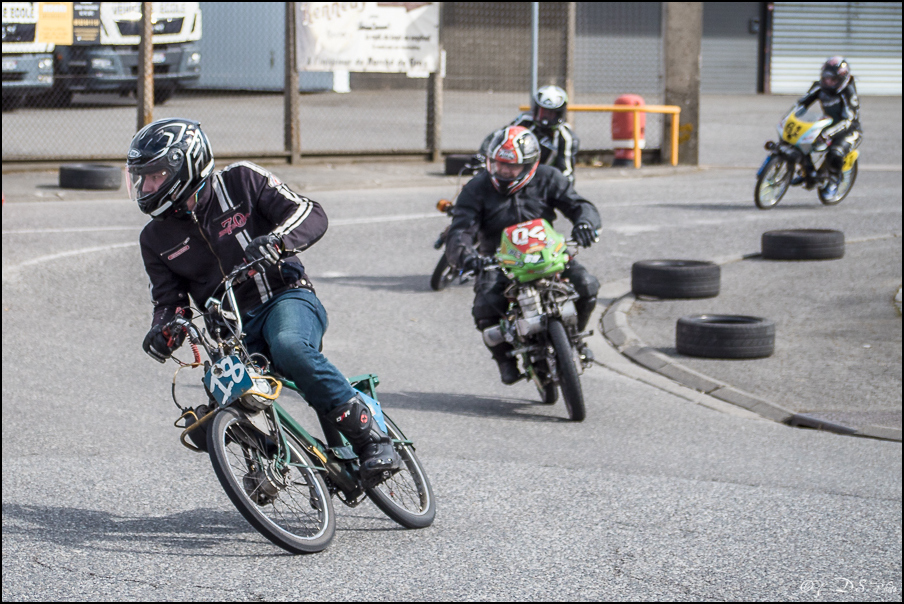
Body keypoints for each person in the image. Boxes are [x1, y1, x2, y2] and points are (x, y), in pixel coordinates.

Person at [129, 118, 396, 478]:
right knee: (217, 393)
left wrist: (278, 241)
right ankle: (267, 464)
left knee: (289, 346)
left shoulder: (241, 180)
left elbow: (309, 212)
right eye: (141, 178)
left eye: (154, 175)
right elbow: (168, 299)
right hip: (234, 333)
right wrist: (164, 328)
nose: (146, 186)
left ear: (185, 165)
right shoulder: (154, 239)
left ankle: (372, 439)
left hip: (285, 297)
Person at [446, 125, 601, 385]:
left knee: (587, 285)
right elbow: (460, 229)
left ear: (530, 165)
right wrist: (467, 256)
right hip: (499, 261)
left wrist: (586, 224)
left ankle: (576, 337)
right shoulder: (475, 188)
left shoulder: (549, 178)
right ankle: (505, 360)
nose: (504, 171)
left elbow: (579, 205)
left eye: (512, 167)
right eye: (498, 164)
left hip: (548, 255)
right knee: (484, 307)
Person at [477, 85, 579, 184]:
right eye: (542, 112)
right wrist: (482, 157)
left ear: (559, 113)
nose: (545, 117)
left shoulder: (567, 137)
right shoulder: (525, 120)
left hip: (542, 183)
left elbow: (566, 174)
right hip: (515, 173)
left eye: (550, 113)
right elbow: (499, 136)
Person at [796, 56, 862, 197]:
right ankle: (808, 173)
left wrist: (828, 134)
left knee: (835, 153)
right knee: (801, 140)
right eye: (825, 78)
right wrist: (793, 116)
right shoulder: (820, 86)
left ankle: (834, 181)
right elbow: (802, 103)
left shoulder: (848, 93)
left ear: (842, 78)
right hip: (828, 125)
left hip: (849, 130)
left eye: (832, 79)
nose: (828, 82)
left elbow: (848, 120)